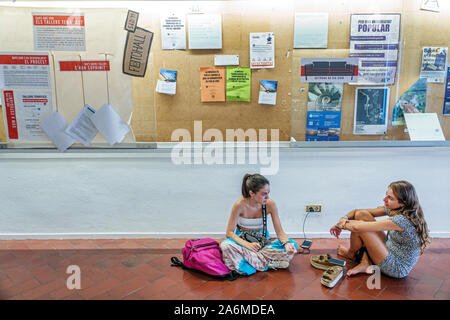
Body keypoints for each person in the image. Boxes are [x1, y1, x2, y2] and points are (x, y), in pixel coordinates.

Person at [330, 181, 431, 278]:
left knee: (362, 229)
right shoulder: (397, 209)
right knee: (362, 215)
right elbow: (358, 211)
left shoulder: (402, 220)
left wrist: (339, 225)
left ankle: (351, 254)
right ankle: (365, 262)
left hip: (397, 267)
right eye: (386, 195)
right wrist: (344, 218)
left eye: (390, 198)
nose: (384, 199)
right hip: (390, 248)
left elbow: (357, 227)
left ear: (402, 203)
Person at [220, 174, 297, 276]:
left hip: (262, 244)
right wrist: (247, 245)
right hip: (242, 243)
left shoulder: (270, 204)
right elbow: (229, 233)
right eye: (264, 194)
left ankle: (251, 262)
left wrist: (287, 244)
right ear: (252, 193)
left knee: (293, 244)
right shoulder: (239, 205)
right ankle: (267, 263)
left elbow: (280, 232)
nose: (267, 197)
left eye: (268, 193)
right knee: (225, 246)